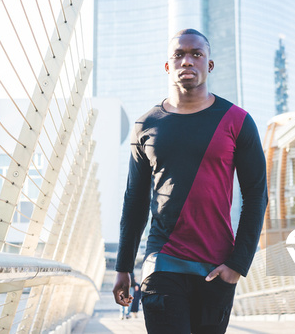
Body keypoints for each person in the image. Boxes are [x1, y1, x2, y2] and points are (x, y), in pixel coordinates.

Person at [112, 29, 268, 334]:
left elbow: (256, 194)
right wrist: (124, 266)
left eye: (196, 54)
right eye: (179, 55)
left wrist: (238, 264)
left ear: (209, 65)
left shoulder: (237, 120)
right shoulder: (146, 125)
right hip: (162, 263)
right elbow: (135, 200)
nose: (187, 61)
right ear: (168, 66)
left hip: (217, 267)